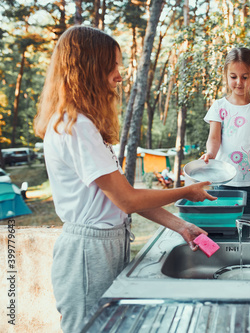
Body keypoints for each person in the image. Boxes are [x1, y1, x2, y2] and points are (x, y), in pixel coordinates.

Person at [33, 26, 216, 333]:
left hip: (101, 246)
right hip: (87, 253)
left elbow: (120, 196)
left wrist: (182, 226)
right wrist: (187, 191)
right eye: (112, 66)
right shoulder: (75, 126)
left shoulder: (83, 123)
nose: (119, 75)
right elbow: (127, 199)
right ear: (89, 68)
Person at [201, 47, 250, 214]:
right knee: (224, 229)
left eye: (245, 77)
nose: (239, 82)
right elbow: (214, 139)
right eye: (233, 77)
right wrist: (210, 154)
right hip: (222, 182)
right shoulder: (219, 106)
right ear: (226, 76)